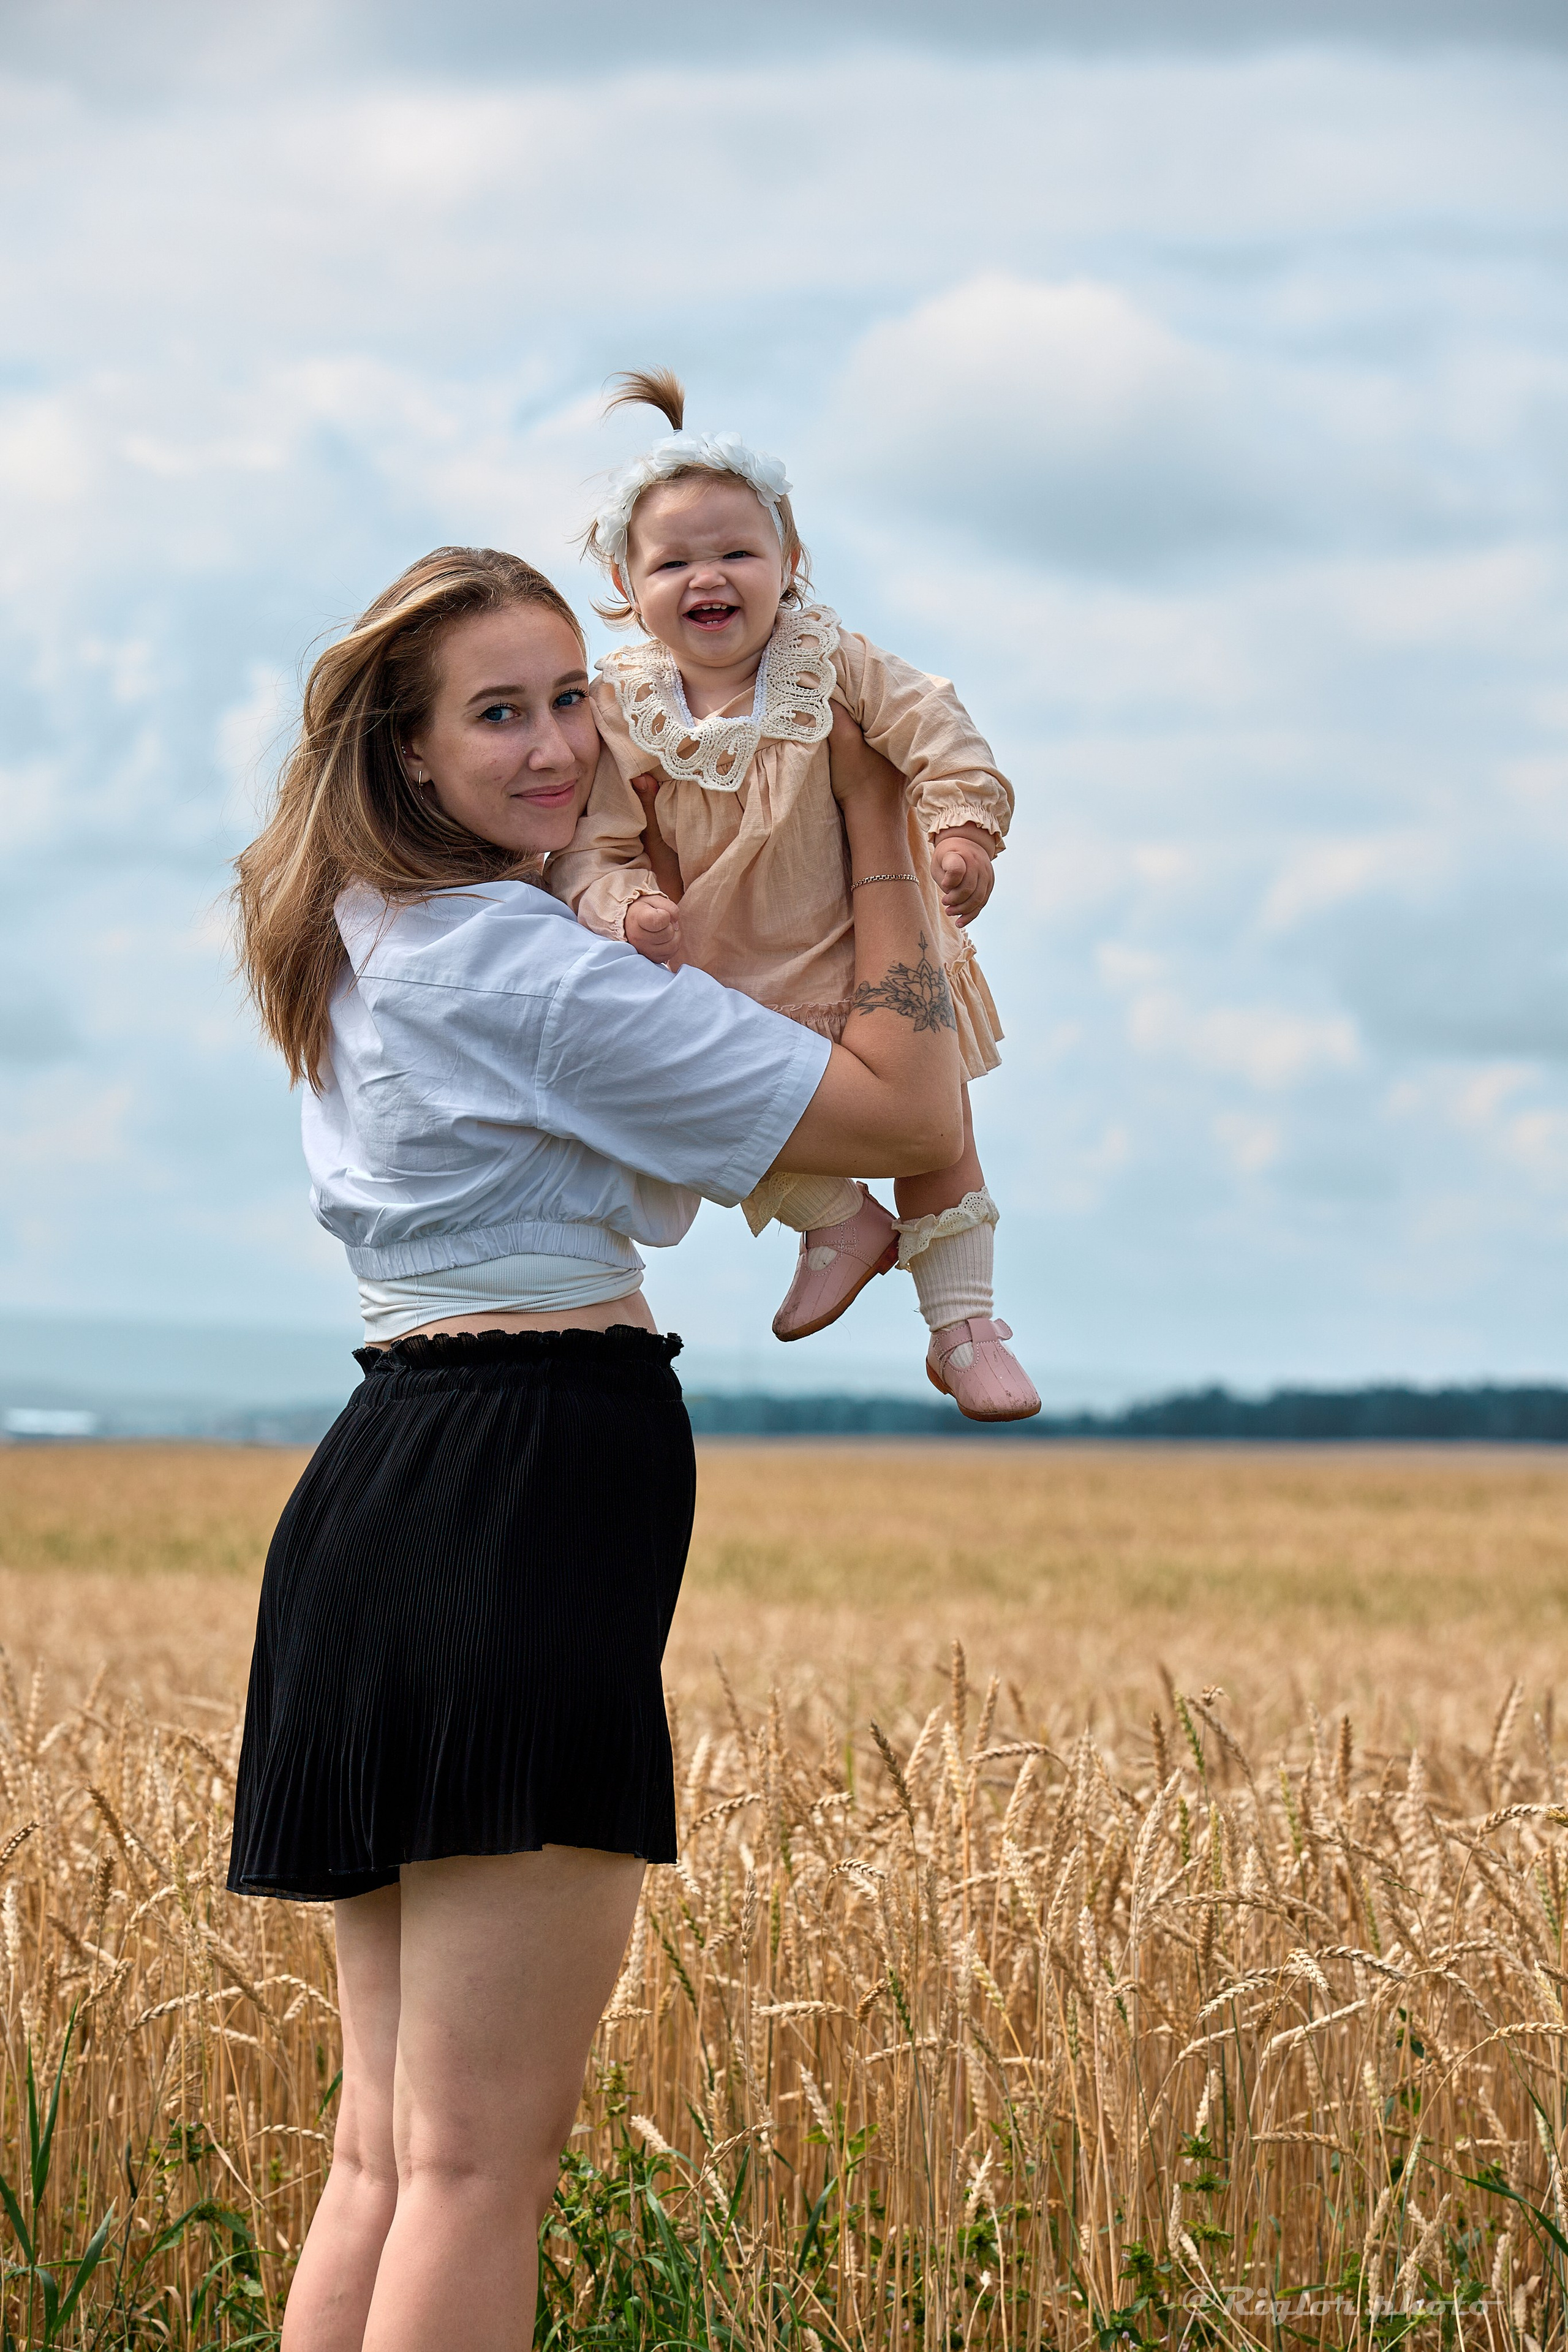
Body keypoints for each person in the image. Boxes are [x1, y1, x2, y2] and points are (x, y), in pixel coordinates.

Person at [227, 543, 963, 2352]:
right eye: (500, 713)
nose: (560, 744)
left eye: (575, 695)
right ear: (406, 755)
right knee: (478, 2169)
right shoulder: (524, 970)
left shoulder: (366, 934)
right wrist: (873, 831)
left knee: (389, 2156)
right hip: (524, 1485)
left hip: (387, 1475)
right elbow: (911, 1106)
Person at [549, 367, 1041, 1421]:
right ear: (626, 586)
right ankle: (835, 1221)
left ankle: (965, 1329)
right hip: (740, 970)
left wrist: (961, 830)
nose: (707, 576)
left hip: (875, 944)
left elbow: (941, 731)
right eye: (672, 560)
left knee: (939, 1134)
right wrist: (627, 907)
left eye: (737, 551)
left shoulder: (833, 664)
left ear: (790, 563)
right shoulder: (623, 707)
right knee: (731, 1109)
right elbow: (594, 845)